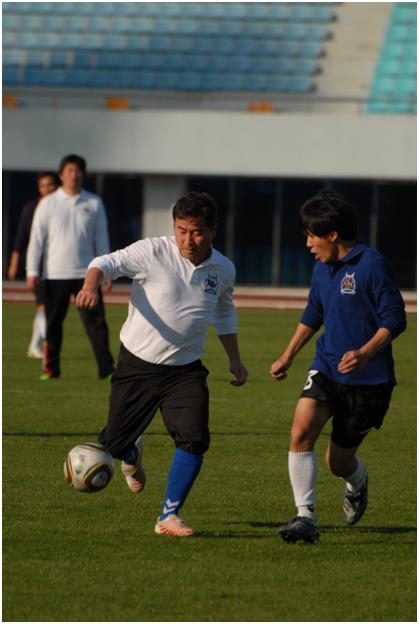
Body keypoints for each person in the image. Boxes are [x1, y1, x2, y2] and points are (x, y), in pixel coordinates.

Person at [76, 191, 248, 536]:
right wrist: (90, 286)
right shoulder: (152, 251)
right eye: (181, 230)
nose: (188, 239)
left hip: (185, 371)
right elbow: (103, 262)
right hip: (138, 365)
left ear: (212, 230)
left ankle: (169, 515)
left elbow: (225, 314)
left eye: (197, 231)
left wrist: (235, 360)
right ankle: (131, 453)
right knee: (113, 442)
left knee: (194, 438)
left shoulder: (223, 269)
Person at [270, 189, 406, 544]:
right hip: (327, 368)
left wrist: (364, 352)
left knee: (338, 462)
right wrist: (288, 355)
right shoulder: (321, 268)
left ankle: (357, 481)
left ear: (332, 234)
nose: (307, 243)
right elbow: (314, 313)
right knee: (301, 430)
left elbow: (396, 319)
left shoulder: (373, 265)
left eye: (311, 235)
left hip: (369, 382)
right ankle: (305, 517)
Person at [26, 154, 115, 381]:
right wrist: (31, 271)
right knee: (53, 325)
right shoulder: (48, 203)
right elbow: (37, 239)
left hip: (88, 276)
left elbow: (101, 239)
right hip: (55, 273)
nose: (73, 175)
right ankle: (51, 369)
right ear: (61, 174)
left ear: (82, 174)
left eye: (77, 171)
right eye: (69, 171)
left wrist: (107, 271)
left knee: (96, 325)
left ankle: (106, 369)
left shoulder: (94, 202)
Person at [8, 171, 57, 358]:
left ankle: (35, 346)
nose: (47, 189)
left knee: (48, 307)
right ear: (39, 188)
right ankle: (47, 347)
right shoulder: (31, 208)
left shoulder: (62, 206)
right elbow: (21, 237)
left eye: (50, 185)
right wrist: (14, 263)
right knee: (43, 306)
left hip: (56, 266)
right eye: (43, 185)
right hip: (38, 266)